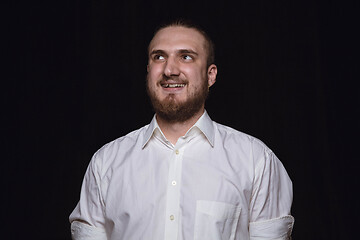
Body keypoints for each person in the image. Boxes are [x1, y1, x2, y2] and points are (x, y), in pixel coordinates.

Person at [69, 19, 294, 240]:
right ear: (148, 71)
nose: (169, 70)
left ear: (210, 75)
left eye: (186, 57)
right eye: (159, 57)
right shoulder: (106, 163)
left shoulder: (256, 160)